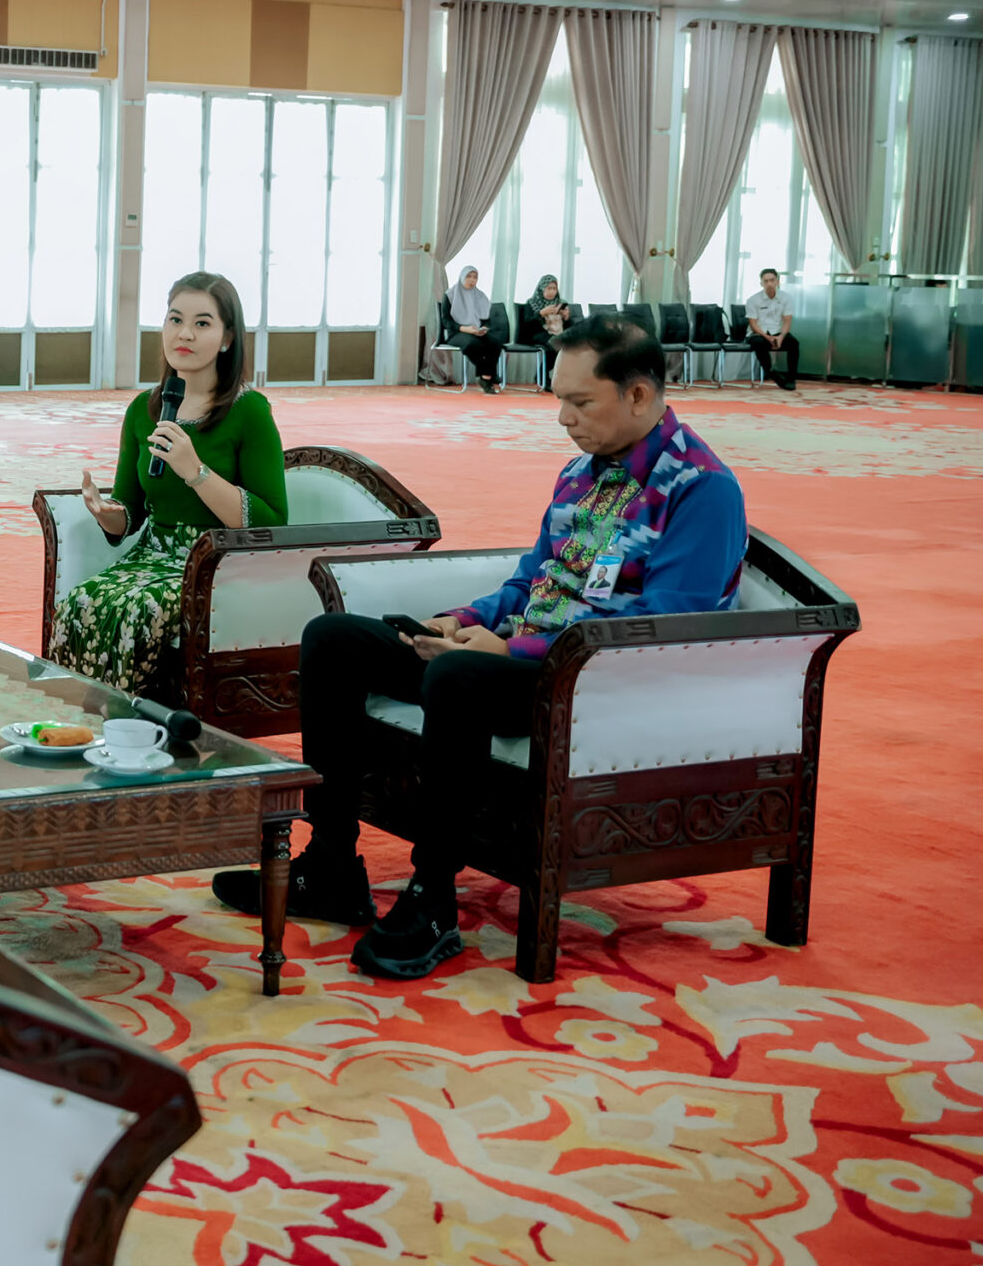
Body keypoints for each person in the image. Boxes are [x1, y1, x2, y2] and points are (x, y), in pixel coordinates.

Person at [214, 314, 746, 980]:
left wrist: (512, 652)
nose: (563, 418)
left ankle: (433, 899)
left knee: (458, 678)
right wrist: (457, 621)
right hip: (516, 659)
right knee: (334, 640)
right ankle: (331, 864)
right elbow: (532, 581)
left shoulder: (700, 489)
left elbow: (662, 627)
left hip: (590, 684)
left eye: (580, 402)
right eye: (560, 399)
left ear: (638, 394)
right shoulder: (584, 474)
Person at [49, 272, 287, 695]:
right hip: (151, 555)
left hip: (214, 561)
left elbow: (271, 522)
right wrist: (106, 514)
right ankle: (80, 718)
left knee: (137, 612)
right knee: (79, 603)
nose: (185, 334)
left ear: (227, 338)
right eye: (175, 319)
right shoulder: (145, 408)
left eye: (202, 323)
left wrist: (195, 471)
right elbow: (130, 511)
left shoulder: (249, 412)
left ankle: (131, 721)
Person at [442, 265, 503, 393]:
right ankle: (489, 374)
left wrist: (483, 329)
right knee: (473, 344)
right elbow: (446, 320)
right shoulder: (450, 295)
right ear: (462, 277)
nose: (472, 280)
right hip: (457, 333)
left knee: (495, 343)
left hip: (476, 331)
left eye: (475, 277)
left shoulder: (480, 296)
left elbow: (486, 320)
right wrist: (464, 329)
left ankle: (485, 378)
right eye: (468, 276)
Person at [514, 274, 573, 393]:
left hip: (556, 333)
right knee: (553, 344)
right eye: (549, 288)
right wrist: (541, 313)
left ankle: (544, 375)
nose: (552, 291)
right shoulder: (532, 303)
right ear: (542, 289)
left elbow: (568, 326)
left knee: (566, 344)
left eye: (554, 288)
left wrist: (566, 318)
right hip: (536, 333)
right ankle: (544, 377)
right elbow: (526, 324)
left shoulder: (560, 303)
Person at [746, 267, 799, 391]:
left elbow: (787, 321)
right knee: (759, 343)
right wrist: (767, 337)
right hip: (758, 333)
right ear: (761, 283)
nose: (769, 284)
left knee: (794, 343)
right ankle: (772, 373)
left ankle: (791, 379)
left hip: (778, 332)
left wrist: (781, 337)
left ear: (777, 282)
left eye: (772, 280)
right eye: (766, 281)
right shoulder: (752, 300)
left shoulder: (786, 298)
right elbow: (753, 324)